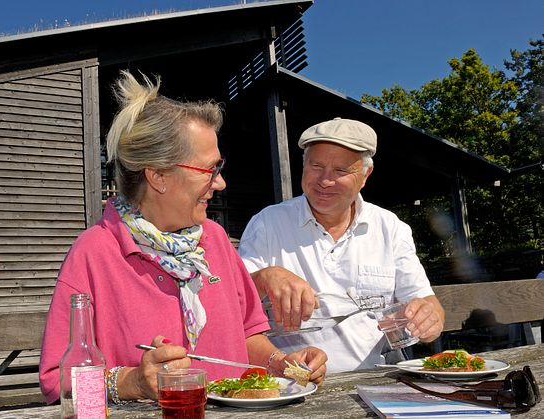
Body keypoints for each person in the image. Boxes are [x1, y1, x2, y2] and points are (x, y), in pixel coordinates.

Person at [39, 71, 327, 404]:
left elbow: (246, 335)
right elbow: (56, 383)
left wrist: (280, 362)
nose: (221, 183)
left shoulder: (215, 240)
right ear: (158, 176)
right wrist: (133, 382)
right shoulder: (94, 252)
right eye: (211, 170)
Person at [238, 117, 445, 373]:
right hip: (291, 381)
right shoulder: (267, 223)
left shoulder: (390, 227)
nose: (325, 180)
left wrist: (429, 318)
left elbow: (426, 302)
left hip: (372, 377)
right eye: (316, 166)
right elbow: (231, 303)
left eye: (340, 171)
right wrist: (264, 277)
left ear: (365, 175)